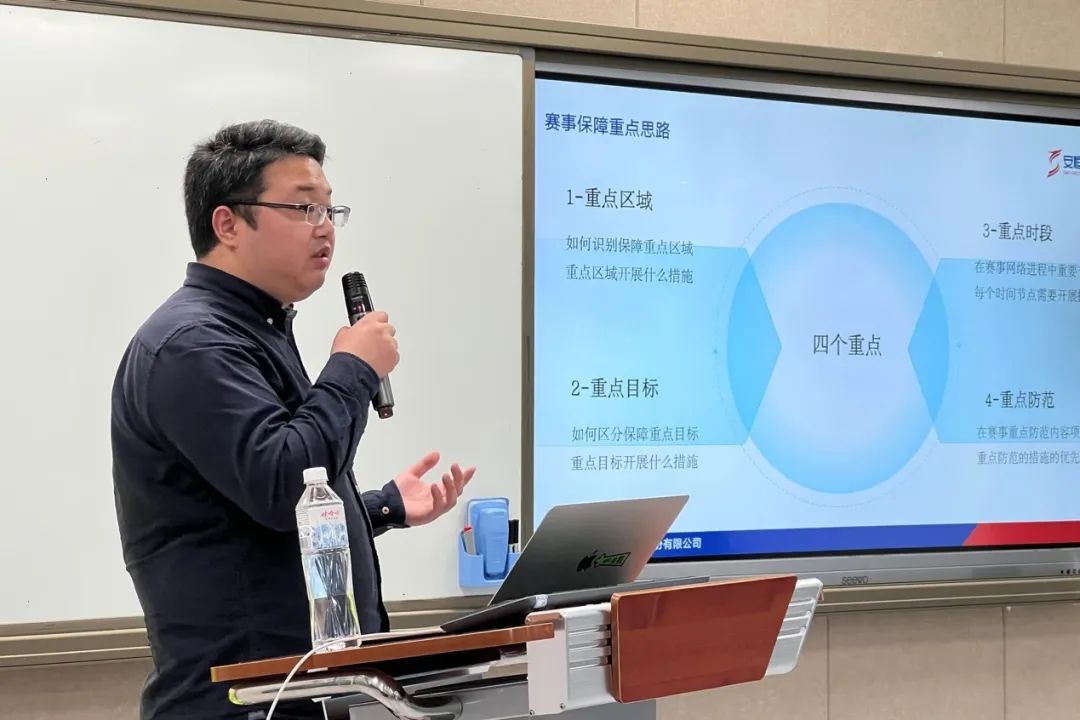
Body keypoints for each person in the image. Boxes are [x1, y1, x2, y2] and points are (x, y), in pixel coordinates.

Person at [110, 119, 474, 720]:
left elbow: (255, 514)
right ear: (227, 224)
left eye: (330, 209)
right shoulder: (193, 344)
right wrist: (354, 368)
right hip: (245, 701)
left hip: (300, 693)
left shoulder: (256, 330)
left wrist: (380, 508)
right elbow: (284, 486)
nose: (325, 226)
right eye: (304, 208)